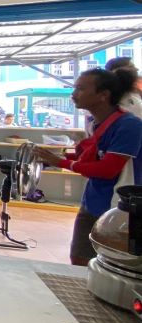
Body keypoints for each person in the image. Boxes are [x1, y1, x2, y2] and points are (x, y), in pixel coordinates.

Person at [35, 68, 142, 265]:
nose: (74, 94)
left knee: (114, 266)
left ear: (103, 95)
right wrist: (58, 157)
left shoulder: (129, 125)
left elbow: (108, 169)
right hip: (93, 201)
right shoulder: (96, 123)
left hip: (120, 209)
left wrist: (62, 163)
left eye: (81, 89)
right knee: (80, 259)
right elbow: (91, 158)